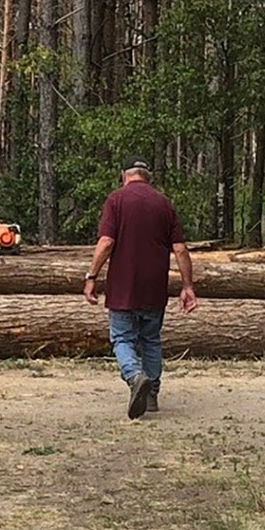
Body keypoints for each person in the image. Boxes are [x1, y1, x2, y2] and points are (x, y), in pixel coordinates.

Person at [81, 157, 197, 418]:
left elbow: (107, 241)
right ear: (148, 177)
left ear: (124, 175)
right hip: (154, 287)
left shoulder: (116, 200)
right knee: (150, 340)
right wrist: (187, 286)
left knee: (122, 338)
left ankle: (135, 377)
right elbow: (179, 248)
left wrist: (91, 276)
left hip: (123, 286)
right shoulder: (163, 203)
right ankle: (152, 393)